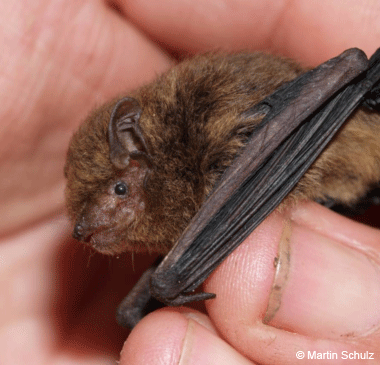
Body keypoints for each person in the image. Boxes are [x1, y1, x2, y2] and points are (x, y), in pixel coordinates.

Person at [1, 0, 379, 364]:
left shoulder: (206, 133)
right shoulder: (192, 213)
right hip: (328, 168)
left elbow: (283, 131)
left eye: (120, 191)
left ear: (139, 149)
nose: (91, 228)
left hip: (338, 127)